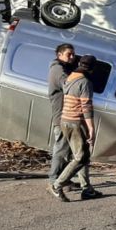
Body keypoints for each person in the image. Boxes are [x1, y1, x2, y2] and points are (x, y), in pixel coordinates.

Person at [52, 54, 104, 201]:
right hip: (76, 122)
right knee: (80, 157)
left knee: (83, 156)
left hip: (65, 120)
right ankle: (57, 185)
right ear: (92, 69)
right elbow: (86, 108)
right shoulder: (85, 82)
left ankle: (87, 190)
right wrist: (91, 129)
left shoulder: (70, 77)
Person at [47, 43, 76, 195]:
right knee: (61, 149)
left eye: (73, 54)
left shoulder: (63, 68)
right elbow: (69, 86)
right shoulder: (58, 69)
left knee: (68, 151)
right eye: (69, 54)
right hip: (62, 117)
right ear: (59, 55)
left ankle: (65, 179)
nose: (72, 57)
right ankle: (53, 180)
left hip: (67, 116)